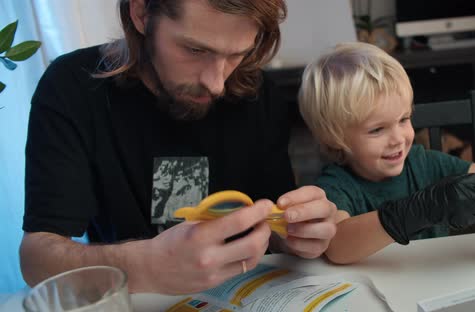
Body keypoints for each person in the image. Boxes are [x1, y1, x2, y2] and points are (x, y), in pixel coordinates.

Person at [20, 0, 338, 295]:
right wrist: (145, 266)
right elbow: (36, 258)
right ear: (141, 13)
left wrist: (297, 232)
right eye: (195, 49)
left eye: (236, 54)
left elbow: (275, 225)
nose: (216, 83)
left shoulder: (259, 93)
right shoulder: (72, 86)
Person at [297, 42, 475, 264]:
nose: (398, 139)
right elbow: (338, 246)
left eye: (404, 119)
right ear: (334, 138)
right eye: (377, 129)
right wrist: (415, 212)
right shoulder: (335, 185)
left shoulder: (424, 163)